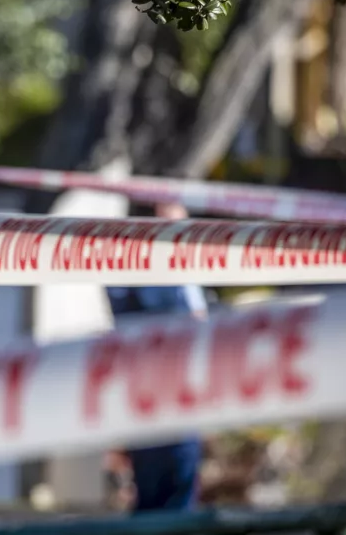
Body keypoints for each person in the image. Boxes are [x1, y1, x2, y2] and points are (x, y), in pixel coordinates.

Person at [106, 202, 208, 514]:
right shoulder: (144, 282)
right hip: (159, 408)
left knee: (180, 499)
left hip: (189, 406)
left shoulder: (188, 275)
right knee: (160, 505)